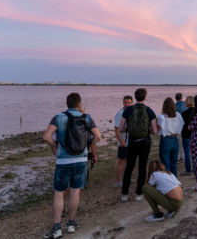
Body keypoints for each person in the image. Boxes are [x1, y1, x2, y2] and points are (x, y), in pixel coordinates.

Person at [43, 93, 101, 239]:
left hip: (63, 162)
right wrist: (89, 146)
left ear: (66, 103)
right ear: (79, 104)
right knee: (75, 192)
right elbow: (98, 137)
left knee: (59, 193)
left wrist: (55, 146)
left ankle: (57, 228)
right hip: (81, 161)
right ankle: (71, 223)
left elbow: (46, 136)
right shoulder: (87, 117)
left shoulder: (59, 117)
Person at [118, 88, 158, 202]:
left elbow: (121, 128)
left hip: (132, 142)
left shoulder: (128, 110)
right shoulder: (149, 110)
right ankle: (139, 194)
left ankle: (125, 194)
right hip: (145, 142)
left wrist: (129, 129)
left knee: (129, 167)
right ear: (145, 97)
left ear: (135, 97)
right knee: (142, 167)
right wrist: (146, 131)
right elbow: (155, 131)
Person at [157, 97, 184, 177]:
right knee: (173, 163)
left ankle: (168, 182)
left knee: (165, 163)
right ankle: (174, 181)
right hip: (175, 139)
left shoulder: (162, 117)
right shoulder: (178, 115)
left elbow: (157, 130)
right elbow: (181, 126)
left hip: (166, 140)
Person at [114, 95, 133, 187]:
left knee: (128, 160)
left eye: (129, 103)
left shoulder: (131, 112)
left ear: (132, 103)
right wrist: (121, 141)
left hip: (131, 141)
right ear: (123, 103)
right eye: (125, 102)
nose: (127, 104)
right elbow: (117, 129)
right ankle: (118, 181)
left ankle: (127, 178)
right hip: (123, 141)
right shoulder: (120, 113)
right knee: (120, 160)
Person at [181, 96, 195, 175]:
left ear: (189, 102)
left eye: (185, 101)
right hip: (194, 134)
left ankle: (188, 170)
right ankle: (194, 167)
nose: (184, 102)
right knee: (194, 152)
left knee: (187, 152)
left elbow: (181, 124)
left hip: (186, 134)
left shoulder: (184, 113)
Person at [175, 93, 187, 161]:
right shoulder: (185, 104)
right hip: (185, 125)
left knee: (178, 141)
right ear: (181, 97)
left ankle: (179, 156)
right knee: (184, 140)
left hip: (177, 125)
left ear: (176, 98)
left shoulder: (174, 106)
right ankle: (183, 155)